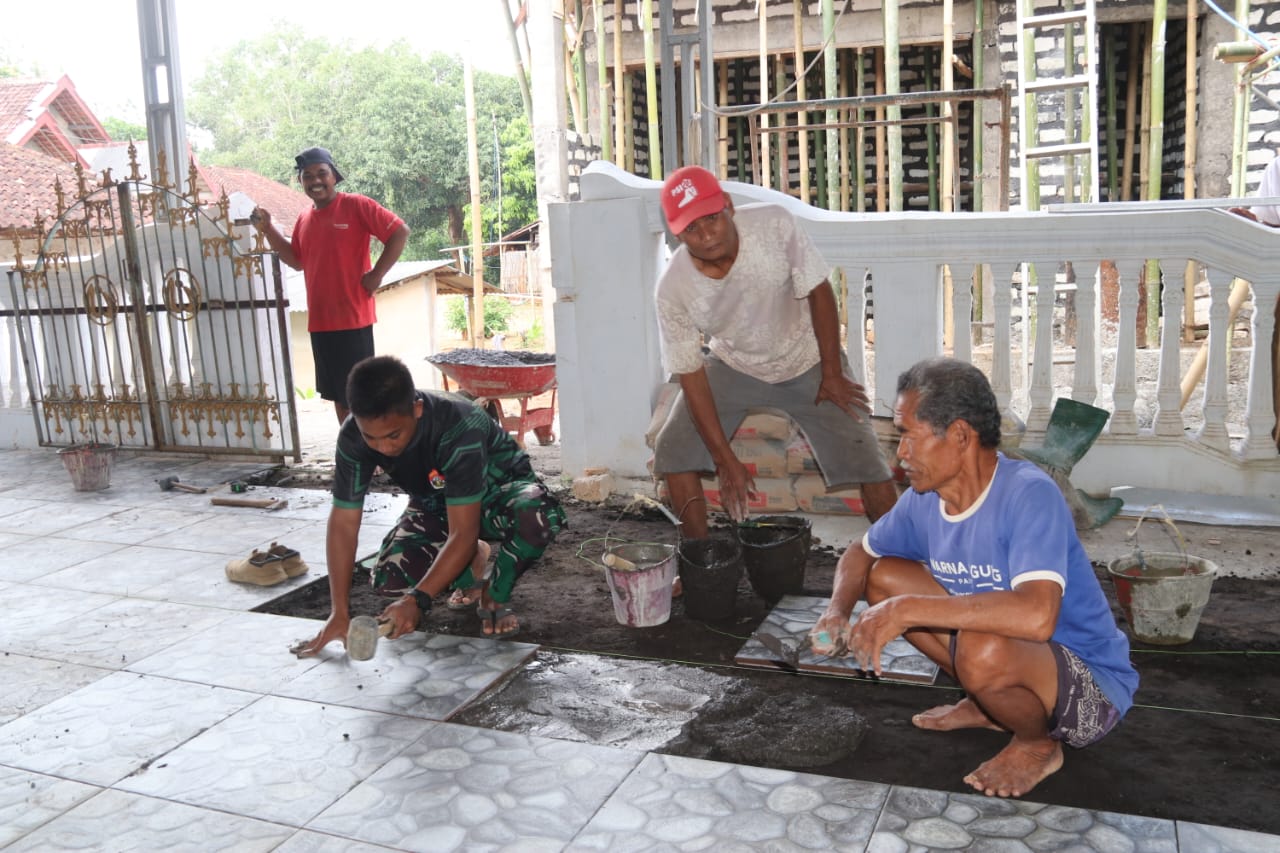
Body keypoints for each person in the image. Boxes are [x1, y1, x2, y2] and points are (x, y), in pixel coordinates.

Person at [810, 358, 1138, 799]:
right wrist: (837, 611)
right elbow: (860, 552)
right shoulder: (925, 499)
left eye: (909, 435)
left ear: (960, 435)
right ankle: (991, 705)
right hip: (1012, 658)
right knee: (885, 577)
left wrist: (906, 610)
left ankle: (1037, 744)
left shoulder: (1029, 494)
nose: (900, 453)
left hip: (1090, 691)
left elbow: (1037, 616)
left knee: (980, 643)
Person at [651, 165, 898, 540]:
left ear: (727, 205)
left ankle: (898, 554)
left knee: (866, 456)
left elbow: (818, 290)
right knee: (673, 448)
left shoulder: (774, 224)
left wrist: (832, 373)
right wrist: (725, 460)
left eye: (712, 218)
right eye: (691, 229)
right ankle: (699, 557)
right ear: (677, 233)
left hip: (808, 357)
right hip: (733, 364)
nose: (706, 235)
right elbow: (691, 373)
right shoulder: (672, 289)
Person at [291, 355, 566, 655]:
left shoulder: (458, 425)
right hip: (438, 503)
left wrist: (417, 600)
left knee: (537, 517)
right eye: (372, 438)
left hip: (499, 497)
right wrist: (339, 612)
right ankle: (472, 560)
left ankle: (495, 594)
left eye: (394, 435)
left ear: (417, 409)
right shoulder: (353, 436)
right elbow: (344, 523)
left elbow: (463, 530)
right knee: (391, 580)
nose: (384, 448)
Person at [252, 147, 410, 423]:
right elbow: (296, 260)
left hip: (352, 319)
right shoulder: (304, 218)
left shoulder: (356, 205)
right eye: (307, 175)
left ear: (334, 176)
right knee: (339, 396)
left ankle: (370, 448)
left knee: (361, 396)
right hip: (321, 323)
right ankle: (351, 446)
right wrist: (268, 229)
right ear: (300, 181)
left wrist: (377, 274)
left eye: (322, 173)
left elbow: (399, 232)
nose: (315, 180)